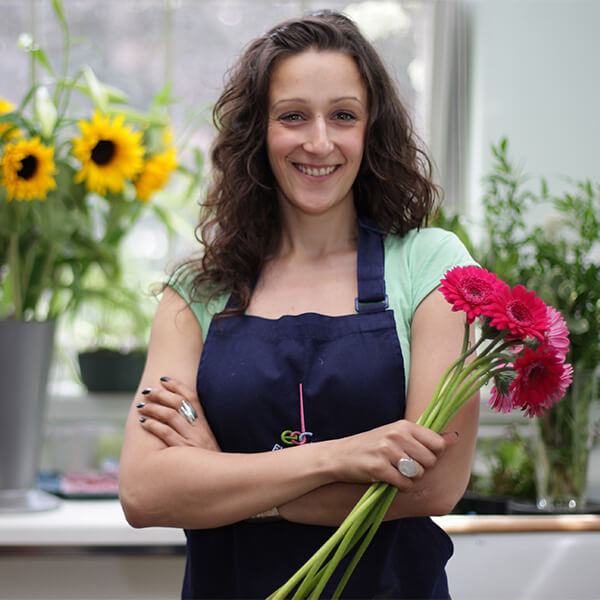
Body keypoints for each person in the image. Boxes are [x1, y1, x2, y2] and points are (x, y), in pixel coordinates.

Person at [119, 10, 480, 599]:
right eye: (293, 116)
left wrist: (226, 481)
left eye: (343, 115)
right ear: (259, 132)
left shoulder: (432, 265)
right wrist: (345, 457)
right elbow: (144, 493)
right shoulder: (198, 295)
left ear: (371, 130)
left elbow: (433, 484)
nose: (319, 141)